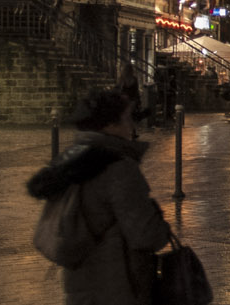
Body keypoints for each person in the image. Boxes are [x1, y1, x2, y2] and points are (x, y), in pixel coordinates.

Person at [27, 88, 173, 304]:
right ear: (109, 125)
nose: (131, 126)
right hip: (119, 287)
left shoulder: (72, 161)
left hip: (81, 286)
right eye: (126, 119)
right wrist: (160, 223)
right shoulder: (119, 168)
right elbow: (146, 235)